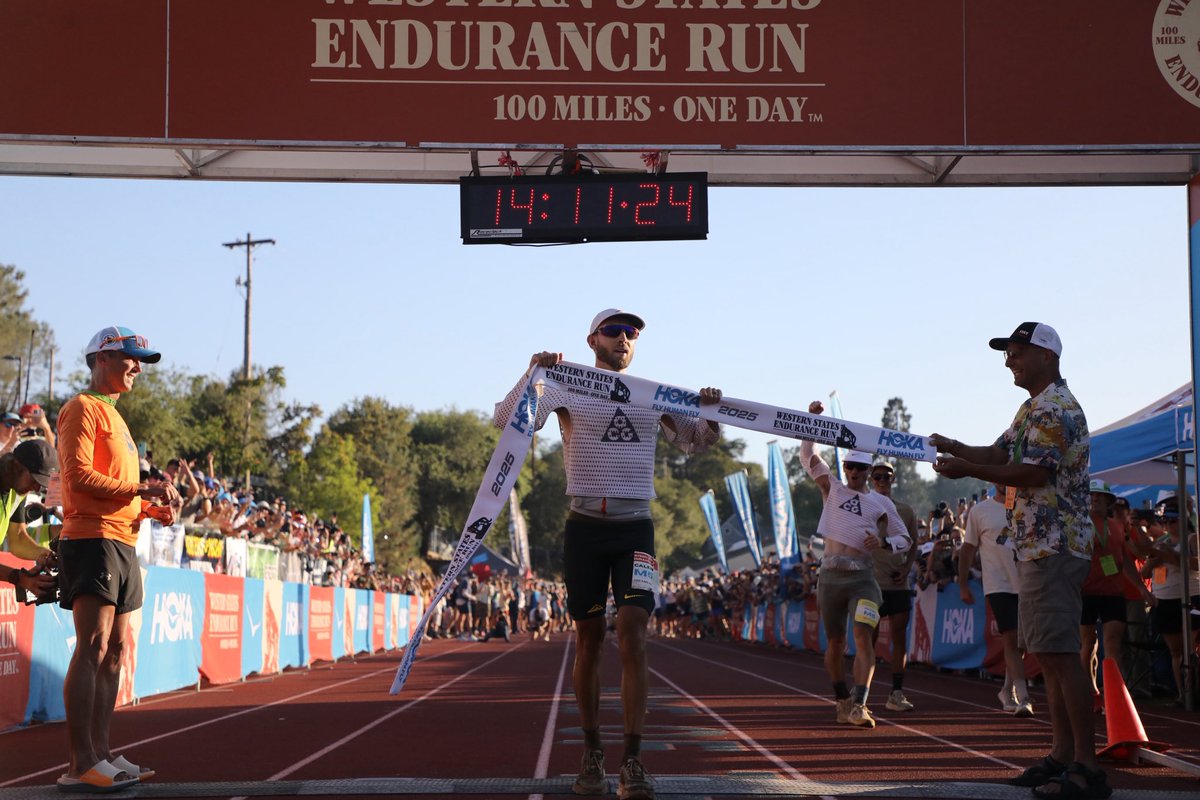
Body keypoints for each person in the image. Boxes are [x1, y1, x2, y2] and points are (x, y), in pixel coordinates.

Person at [494, 308, 722, 800]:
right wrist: (530, 374)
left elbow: (696, 442)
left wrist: (709, 412)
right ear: (592, 340)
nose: (624, 339)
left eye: (631, 333)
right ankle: (592, 752)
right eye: (614, 331)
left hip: (636, 529)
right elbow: (506, 419)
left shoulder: (652, 393)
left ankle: (633, 760)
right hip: (584, 530)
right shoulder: (567, 384)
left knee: (634, 633)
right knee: (590, 639)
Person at [931, 322, 1108, 800]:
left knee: (1060, 655)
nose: (1009, 360)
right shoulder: (1032, 407)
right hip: (1037, 546)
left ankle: (1087, 769)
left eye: (1016, 352)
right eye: (1007, 353)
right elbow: (998, 452)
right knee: (1048, 656)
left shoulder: (1053, 408)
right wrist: (956, 448)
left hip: (1054, 545)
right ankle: (1063, 755)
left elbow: (1032, 473)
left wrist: (968, 468)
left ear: (1046, 355)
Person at [55, 327, 180, 792]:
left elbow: (119, 493)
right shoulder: (81, 408)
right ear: (102, 358)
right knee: (92, 645)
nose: (137, 368)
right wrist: (140, 488)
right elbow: (77, 477)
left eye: (141, 361)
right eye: (131, 358)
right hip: (91, 538)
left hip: (122, 540)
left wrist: (149, 508)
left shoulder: (117, 417)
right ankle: (80, 762)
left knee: (116, 650)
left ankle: (103, 753)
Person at [799, 420, 910, 730]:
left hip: (862, 580)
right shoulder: (832, 488)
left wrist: (884, 542)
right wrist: (812, 420)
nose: (855, 472)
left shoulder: (880, 502)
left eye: (861, 468)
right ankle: (842, 699)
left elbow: (905, 540)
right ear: (844, 467)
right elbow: (807, 456)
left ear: (868, 470)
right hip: (830, 578)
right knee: (835, 642)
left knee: (863, 638)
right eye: (850, 466)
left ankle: (860, 704)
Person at [960, 483, 1033, 717]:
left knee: (1022, 643)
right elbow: (968, 548)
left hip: (1027, 583)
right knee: (1011, 638)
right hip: (998, 585)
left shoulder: (1027, 507)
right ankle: (1023, 697)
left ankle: (1007, 690)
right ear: (994, 481)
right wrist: (963, 584)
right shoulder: (980, 511)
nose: (1005, 483)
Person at [1080, 480, 1154, 712]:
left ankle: (1115, 696)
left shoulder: (1116, 526)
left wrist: (1142, 589)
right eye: (1092, 496)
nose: (1095, 499)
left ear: (1108, 501)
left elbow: (1125, 562)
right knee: (1088, 643)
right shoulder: (1080, 523)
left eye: (1100, 496)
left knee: (1112, 643)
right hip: (1086, 591)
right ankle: (1090, 691)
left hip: (1113, 591)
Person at [867, 460, 919, 712]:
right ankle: (861, 694)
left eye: (886, 476)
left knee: (899, 638)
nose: (882, 480)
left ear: (893, 479)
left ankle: (896, 693)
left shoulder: (905, 511)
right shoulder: (863, 505)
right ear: (871, 479)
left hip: (898, 584)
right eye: (877, 476)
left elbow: (914, 543)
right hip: (871, 584)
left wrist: (907, 569)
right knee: (868, 640)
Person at [1142, 495, 1199, 707]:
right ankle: (1183, 695)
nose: (1168, 525)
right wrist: (1153, 561)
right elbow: (1145, 573)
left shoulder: (1192, 539)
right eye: (1164, 521)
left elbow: (1197, 565)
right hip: (1165, 600)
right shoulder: (1160, 542)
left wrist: (1171, 557)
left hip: (1191, 597)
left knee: (1190, 648)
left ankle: (1194, 692)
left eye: (1172, 521)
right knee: (1176, 652)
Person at [0, 439, 59, 601]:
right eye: (35, 480)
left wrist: (45, 555)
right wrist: (19, 578)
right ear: (15, 465)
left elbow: (18, 538)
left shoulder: (17, 490)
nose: (37, 489)